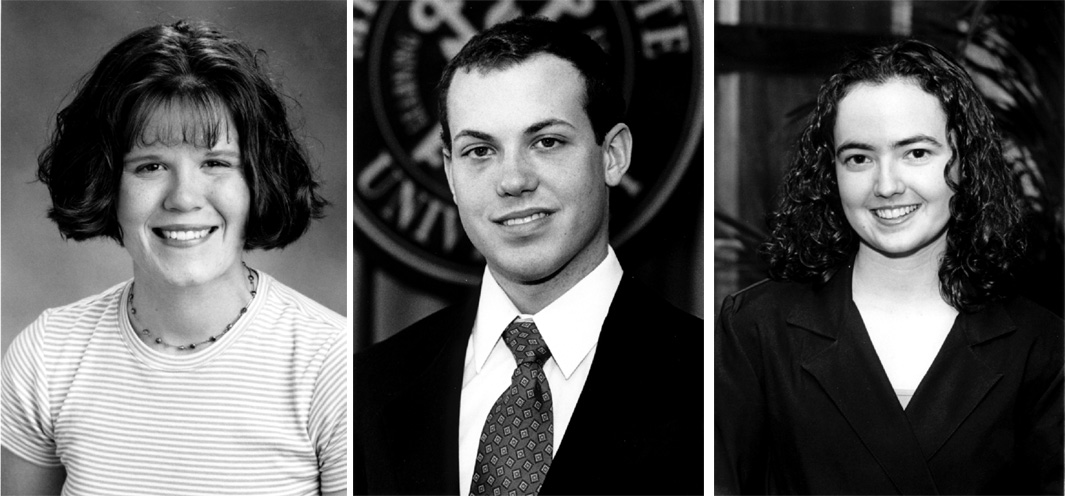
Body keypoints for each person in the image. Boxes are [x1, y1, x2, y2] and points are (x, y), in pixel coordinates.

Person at [354, 16, 703, 496]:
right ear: (451, 174)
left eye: (546, 142)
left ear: (613, 154)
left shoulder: (709, 378)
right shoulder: (368, 389)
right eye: (480, 150)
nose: (513, 180)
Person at [0, 21, 347, 495]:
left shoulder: (332, 364)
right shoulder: (47, 356)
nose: (184, 198)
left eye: (216, 163)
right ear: (106, 186)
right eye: (151, 166)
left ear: (257, 182)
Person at [715, 39, 1064, 494]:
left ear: (966, 163)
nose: (885, 185)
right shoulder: (755, 328)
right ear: (831, 172)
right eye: (859, 158)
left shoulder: (1043, 347)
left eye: (915, 153)